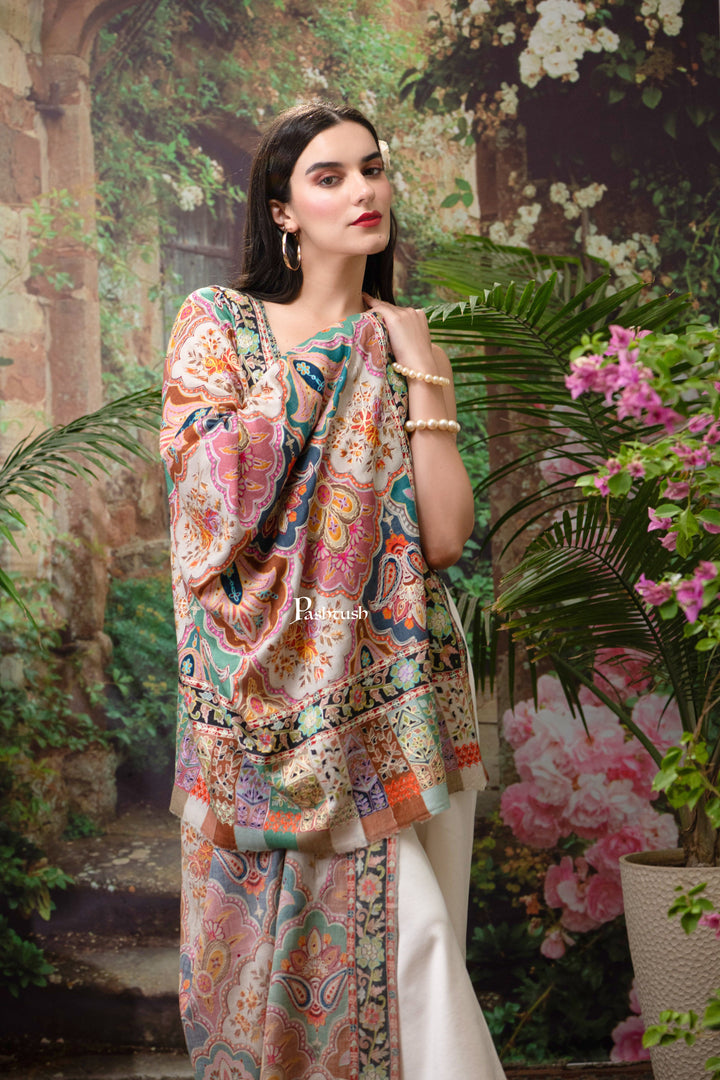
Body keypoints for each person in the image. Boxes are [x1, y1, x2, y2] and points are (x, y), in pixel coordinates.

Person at [161, 101, 507, 1080]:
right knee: (400, 961)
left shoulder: (403, 342)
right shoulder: (219, 322)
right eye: (330, 175)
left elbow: (445, 537)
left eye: (372, 168)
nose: (363, 190)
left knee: (416, 956)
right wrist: (331, 361)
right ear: (283, 210)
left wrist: (422, 370)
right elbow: (205, 497)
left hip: (392, 704)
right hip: (256, 713)